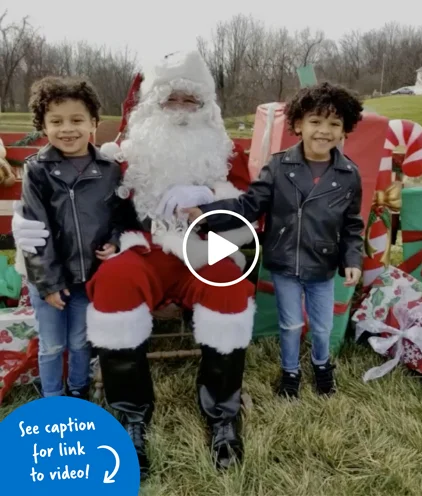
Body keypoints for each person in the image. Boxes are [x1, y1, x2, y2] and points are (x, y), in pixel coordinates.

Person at [13, 51, 257, 479]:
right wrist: (25, 222)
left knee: (230, 286)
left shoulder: (225, 152)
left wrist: (206, 200)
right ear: (151, 105)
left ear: (207, 107)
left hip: (205, 249)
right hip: (142, 248)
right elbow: (87, 200)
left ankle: (222, 414)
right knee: (114, 283)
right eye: (170, 100)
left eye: (190, 101)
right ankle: (131, 415)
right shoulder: (125, 153)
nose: (180, 111)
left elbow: (249, 221)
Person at [183, 82, 365, 399]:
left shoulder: (349, 174)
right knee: (291, 325)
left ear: (344, 130)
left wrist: (352, 259)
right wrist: (206, 212)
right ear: (298, 124)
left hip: (323, 266)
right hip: (284, 263)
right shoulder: (279, 166)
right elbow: (248, 206)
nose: (324, 131)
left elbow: (351, 224)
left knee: (322, 327)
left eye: (334, 124)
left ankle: (322, 366)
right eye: (315, 122)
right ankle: (290, 372)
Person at [13, 76, 127, 400]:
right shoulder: (36, 170)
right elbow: (35, 230)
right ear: (43, 126)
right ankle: (52, 396)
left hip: (89, 277)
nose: (68, 129)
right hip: (48, 278)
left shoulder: (109, 170)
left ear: (93, 122)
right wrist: (48, 283)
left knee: (80, 340)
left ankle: (79, 391)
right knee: (52, 344)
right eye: (56, 121)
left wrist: (116, 241)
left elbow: (119, 215)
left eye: (77, 120)